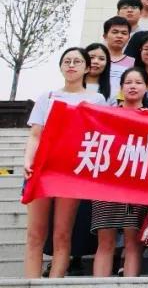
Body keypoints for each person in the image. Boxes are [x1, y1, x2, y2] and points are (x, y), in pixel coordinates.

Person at [25, 47, 108, 278]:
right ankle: (31, 282)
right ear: (61, 67)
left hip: (72, 171)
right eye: (67, 61)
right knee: (35, 234)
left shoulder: (96, 99)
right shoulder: (47, 96)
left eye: (77, 61)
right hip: (43, 168)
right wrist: (28, 160)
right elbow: (35, 135)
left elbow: (101, 133)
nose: (71, 65)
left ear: (87, 68)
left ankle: (55, 281)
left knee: (62, 234)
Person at [90, 67, 148, 278]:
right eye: (128, 82)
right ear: (121, 87)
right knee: (105, 242)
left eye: (138, 82)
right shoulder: (106, 115)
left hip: (138, 186)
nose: (133, 86)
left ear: (147, 87)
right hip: (107, 184)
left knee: (133, 243)